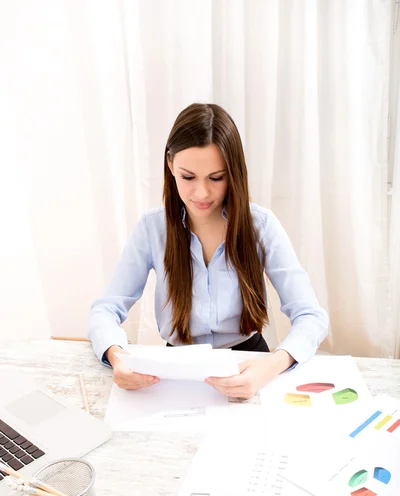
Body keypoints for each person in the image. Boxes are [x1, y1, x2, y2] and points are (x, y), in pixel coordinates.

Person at [88, 103, 328, 399]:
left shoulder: (261, 226)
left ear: (234, 173)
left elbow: (311, 316)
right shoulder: (153, 228)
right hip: (175, 370)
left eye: (216, 178)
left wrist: (271, 366)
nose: (201, 193)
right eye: (188, 177)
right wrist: (116, 356)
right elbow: (105, 309)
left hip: (249, 365)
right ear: (170, 165)